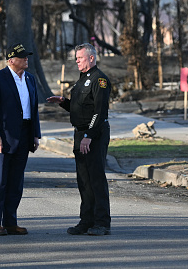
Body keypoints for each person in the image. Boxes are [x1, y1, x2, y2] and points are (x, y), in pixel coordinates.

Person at [47, 43, 112, 236]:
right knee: (84, 180)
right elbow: (81, 109)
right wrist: (64, 103)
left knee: (96, 179)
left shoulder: (100, 80)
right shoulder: (82, 80)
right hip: (80, 134)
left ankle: (102, 222)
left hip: (94, 135)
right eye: (76, 58)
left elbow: (99, 113)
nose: (76, 61)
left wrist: (89, 136)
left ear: (91, 58)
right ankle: (86, 221)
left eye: (80, 58)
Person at [0, 43, 41, 236]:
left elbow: (34, 109)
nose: (26, 59)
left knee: (16, 181)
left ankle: (10, 222)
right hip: (3, 136)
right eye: (22, 57)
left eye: (27, 56)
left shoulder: (30, 79)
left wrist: (35, 134)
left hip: (24, 134)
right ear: (11, 61)